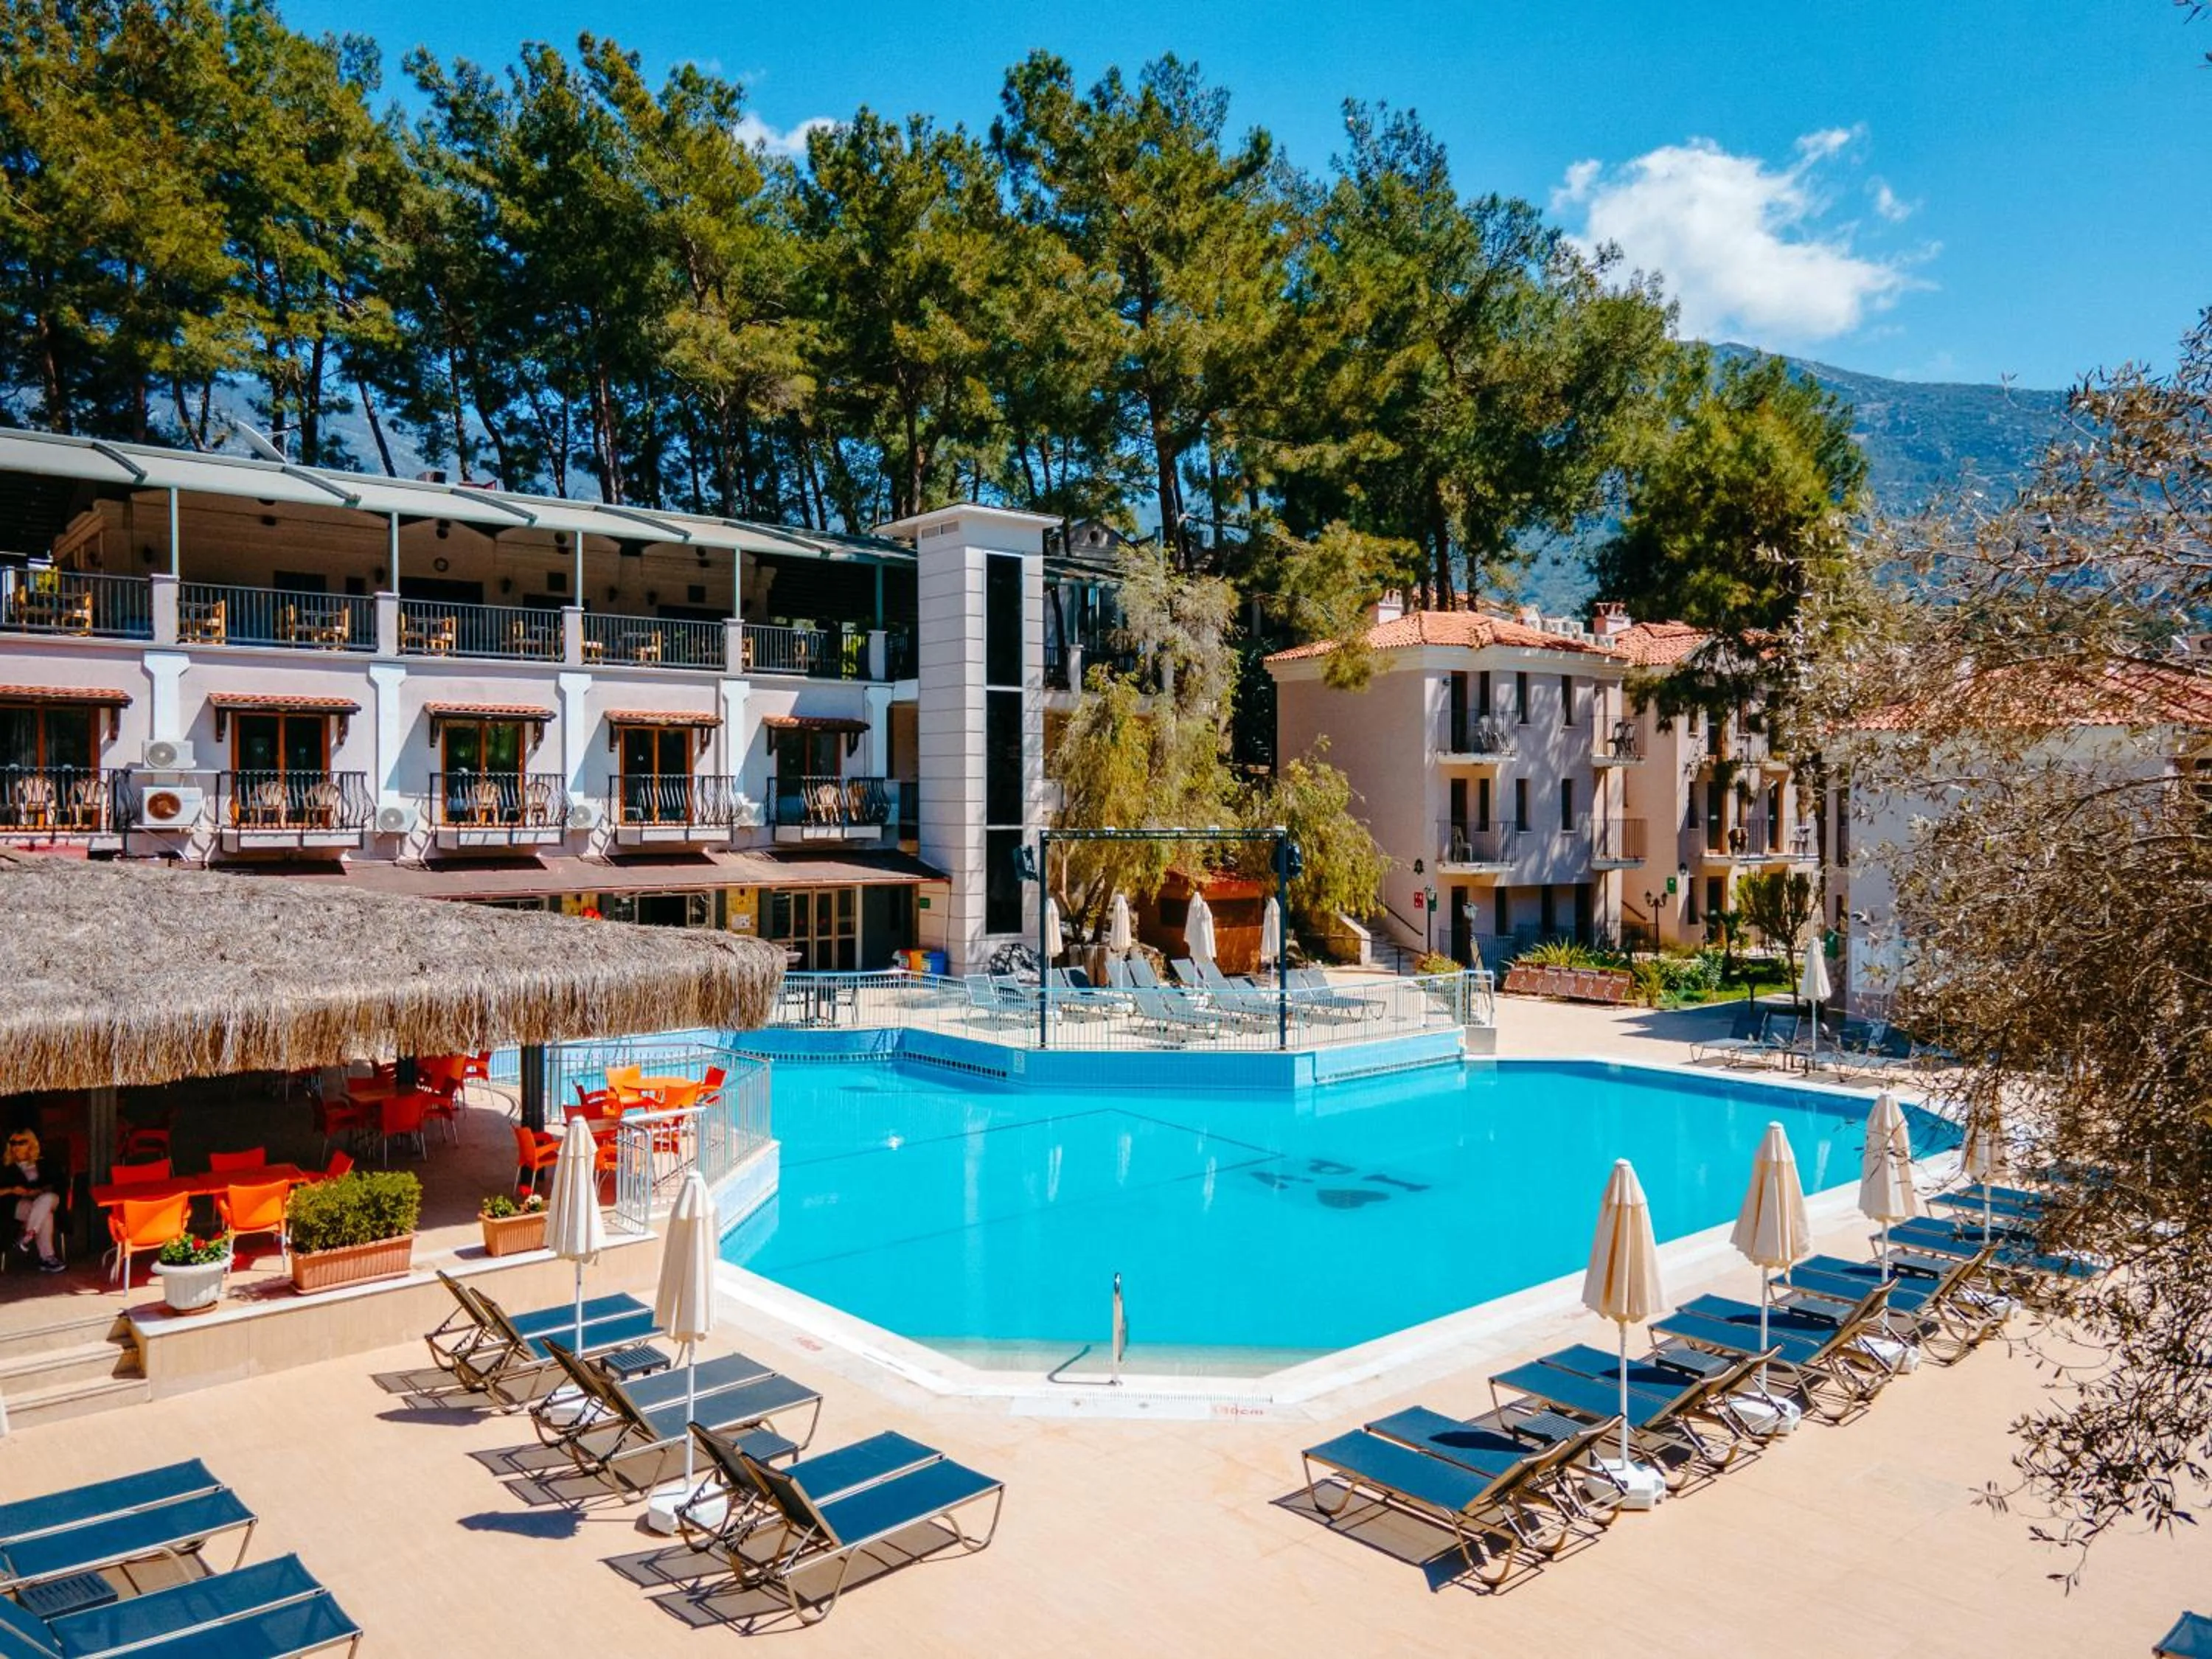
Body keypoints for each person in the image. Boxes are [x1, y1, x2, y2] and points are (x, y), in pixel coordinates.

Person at [4, 1129, 66, 1272]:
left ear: (31, 1145)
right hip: (20, 1203)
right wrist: (13, 1190)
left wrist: (39, 1191)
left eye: (21, 1143)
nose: (16, 1147)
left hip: (48, 1199)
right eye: (13, 1143)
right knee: (46, 1215)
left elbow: (59, 1182)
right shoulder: (6, 1166)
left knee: (46, 1199)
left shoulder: (45, 1162)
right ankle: (47, 1258)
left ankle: (26, 1237)